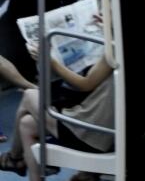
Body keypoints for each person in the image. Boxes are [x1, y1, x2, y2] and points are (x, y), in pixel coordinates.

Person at [0, 41, 114, 181]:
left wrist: (50, 61)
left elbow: (85, 84)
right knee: (26, 124)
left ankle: (14, 158)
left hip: (88, 132)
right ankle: (21, 165)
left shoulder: (115, 47)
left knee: (29, 95)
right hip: (100, 128)